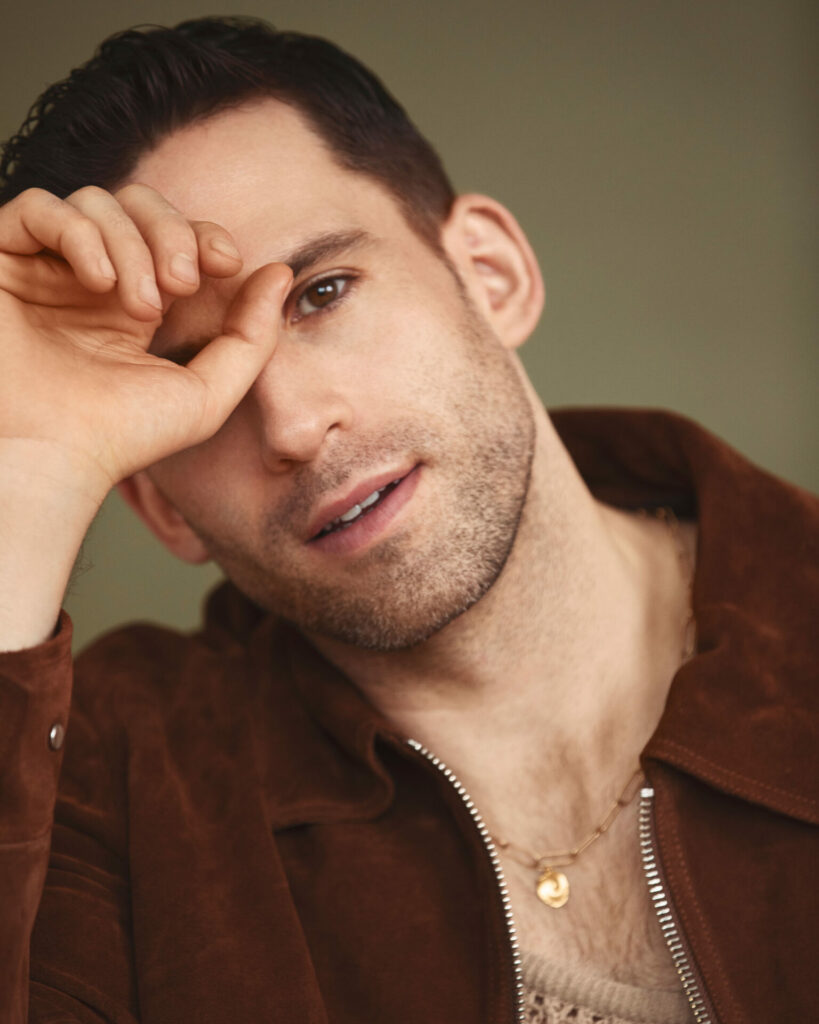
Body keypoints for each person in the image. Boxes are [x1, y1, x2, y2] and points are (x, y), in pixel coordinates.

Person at [0, 16, 815, 1024]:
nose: (293, 425)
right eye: (196, 380)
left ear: (491, 273)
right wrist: (23, 472)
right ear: (159, 501)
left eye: (322, 292)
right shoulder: (109, 788)